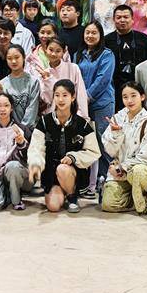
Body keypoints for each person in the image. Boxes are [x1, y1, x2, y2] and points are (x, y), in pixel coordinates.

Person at [26, 79, 101, 214]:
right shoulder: (44, 122)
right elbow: (36, 147)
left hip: (73, 172)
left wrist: (73, 157)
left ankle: (72, 196)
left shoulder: (82, 124)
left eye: (65, 95)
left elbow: (94, 151)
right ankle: (62, 191)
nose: (60, 99)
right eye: (57, 95)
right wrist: (36, 164)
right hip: (51, 173)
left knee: (63, 169)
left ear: (73, 97)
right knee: (53, 207)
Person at [100, 81, 147, 218]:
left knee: (138, 172)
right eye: (125, 97)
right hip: (120, 173)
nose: (129, 100)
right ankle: (133, 200)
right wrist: (116, 134)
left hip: (141, 171)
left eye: (133, 95)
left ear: (142, 97)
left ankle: (144, 205)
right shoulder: (117, 118)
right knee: (108, 204)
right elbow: (109, 150)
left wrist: (122, 167)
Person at [76, 21, 116, 184]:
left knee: (103, 139)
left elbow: (103, 79)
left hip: (102, 103)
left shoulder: (107, 54)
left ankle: (107, 176)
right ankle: (89, 180)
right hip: (82, 103)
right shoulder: (78, 54)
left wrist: (86, 96)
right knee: (85, 141)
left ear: (100, 35)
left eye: (94, 33)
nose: (90, 36)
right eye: (87, 32)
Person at [0, 93, 30, 211]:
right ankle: (6, 194)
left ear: (11, 107)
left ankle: (16, 200)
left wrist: (21, 144)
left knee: (12, 166)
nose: (2, 109)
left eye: (6, 105)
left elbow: (30, 157)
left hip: (20, 174)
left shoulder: (22, 129)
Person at [104, 4, 147, 109]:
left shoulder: (143, 39)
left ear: (132, 19)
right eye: (118, 17)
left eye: (126, 17)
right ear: (113, 20)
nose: (122, 20)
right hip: (115, 89)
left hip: (139, 86)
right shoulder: (106, 40)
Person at [37, 37, 90, 118]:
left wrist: (83, 117)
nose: (53, 54)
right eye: (51, 50)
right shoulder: (44, 73)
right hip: (53, 116)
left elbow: (81, 94)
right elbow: (48, 99)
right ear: (45, 50)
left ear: (64, 52)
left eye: (58, 51)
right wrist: (48, 80)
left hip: (72, 114)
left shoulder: (73, 68)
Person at [0, 44, 41, 128]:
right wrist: (0, 91)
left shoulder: (33, 82)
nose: (13, 61)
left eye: (17, 57)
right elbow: (1, 110)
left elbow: (32, 109)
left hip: (29, 130)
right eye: (9, 58)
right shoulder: (2, 84)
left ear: (24, 57)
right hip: (8, 129)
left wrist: (22, 129)